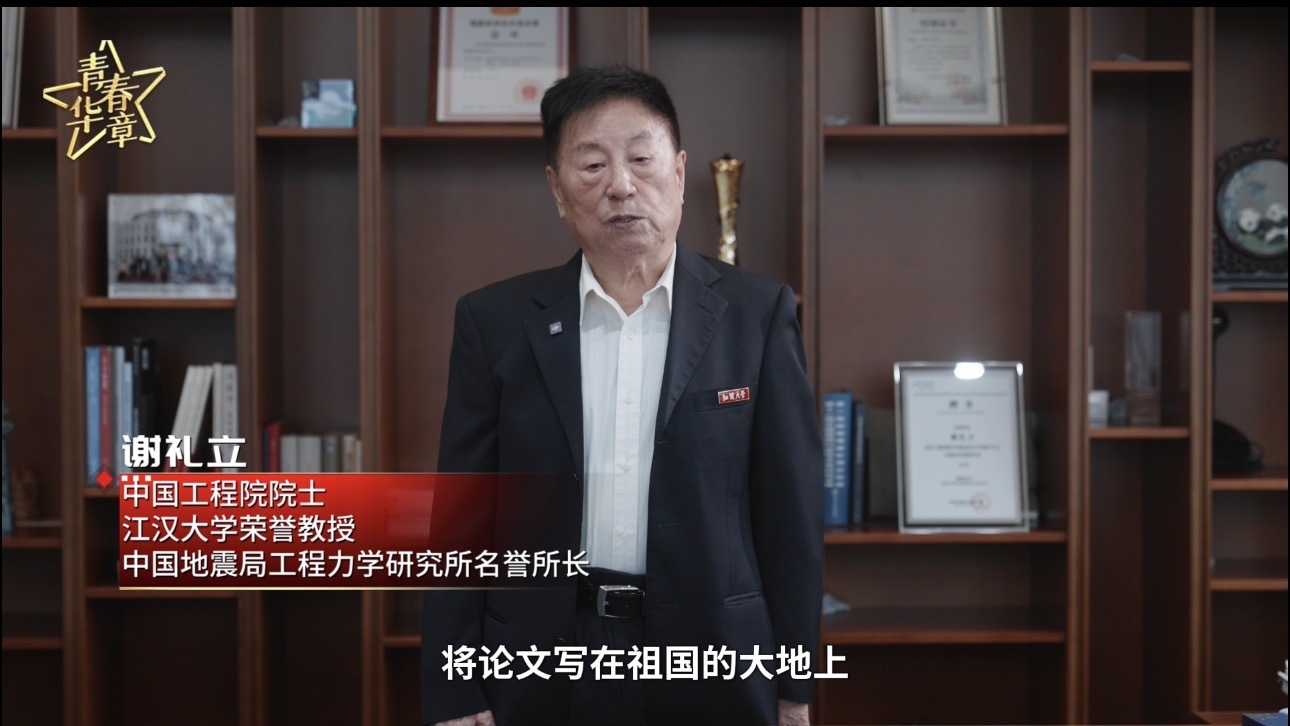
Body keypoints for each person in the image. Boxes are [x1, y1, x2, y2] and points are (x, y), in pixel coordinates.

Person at [422, 64, 823, 726]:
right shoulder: (495, 323)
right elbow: (461, 518)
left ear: (679, 173)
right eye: (591, 166)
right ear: (557, 190)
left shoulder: (757, 315)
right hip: (540, 660)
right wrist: (455, 689)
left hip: (713, 660)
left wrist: (794, 689)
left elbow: (792, 518)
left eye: (641, 158)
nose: (621, 185)